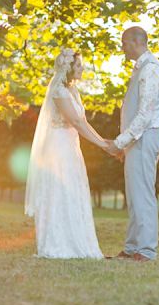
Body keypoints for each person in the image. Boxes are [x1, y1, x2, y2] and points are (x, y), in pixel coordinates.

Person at [25, 48, 106, 259]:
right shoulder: (59, 91)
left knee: (73, 192)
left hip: (71, 147)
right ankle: (56, 244)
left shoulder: (74, 91)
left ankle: (76, 241)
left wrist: (104, 141)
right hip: (58, 148)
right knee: (58, 193)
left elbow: (84, 122)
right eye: (79, 65)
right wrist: (104, 146)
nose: (83, 68)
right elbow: (77, 122)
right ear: (68, 68)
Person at [105, 26, 159, 262]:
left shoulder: (150, 69)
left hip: (146, 136)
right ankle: (132, 248)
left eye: (124, 43)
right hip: (137, 140)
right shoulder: (141, 68)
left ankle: (146, 251)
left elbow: (144, 114)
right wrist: (126, 144)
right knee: (134, 195)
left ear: (135, 42)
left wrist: (120, 143)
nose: (122, 48)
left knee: (143, 195)